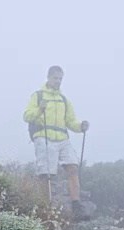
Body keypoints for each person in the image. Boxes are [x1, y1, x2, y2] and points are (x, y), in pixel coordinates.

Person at [23, 65, 89, 220]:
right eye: (55, 78)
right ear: (48, 77)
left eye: (60, 78)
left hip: (62, 138)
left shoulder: (63, 100)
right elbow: (26, 116)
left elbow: (70, 121)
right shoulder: (38, 96)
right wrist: (40, 109)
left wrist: (81, 127)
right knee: (46, 174)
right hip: (43, 136)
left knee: (72, 167)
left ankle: (76, 204)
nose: (58, 81)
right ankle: (46, 207)